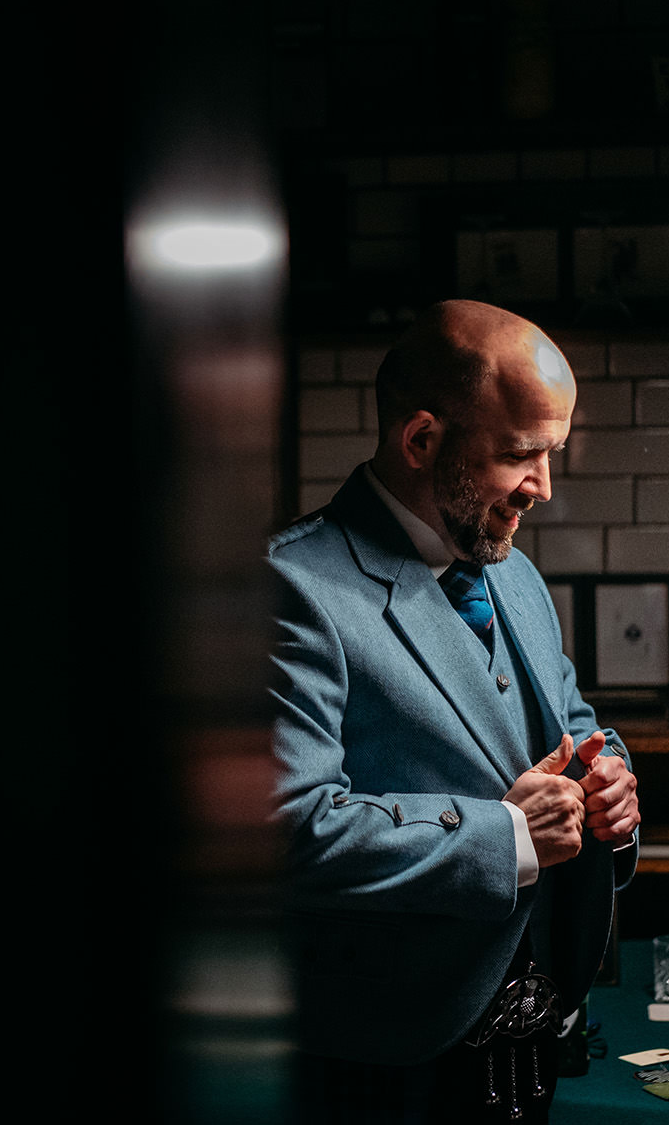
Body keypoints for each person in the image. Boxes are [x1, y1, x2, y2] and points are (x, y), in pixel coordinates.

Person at [265, 299, 640, 1123]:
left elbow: (579, 725)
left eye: (552, 453)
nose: (543, 486)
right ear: (422, 440)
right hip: (388, 1058)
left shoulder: (511, 571)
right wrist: (504, 836)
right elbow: (288, 829)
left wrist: (612, 780)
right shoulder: (293, 587)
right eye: (520, 454)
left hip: (530, 1032)